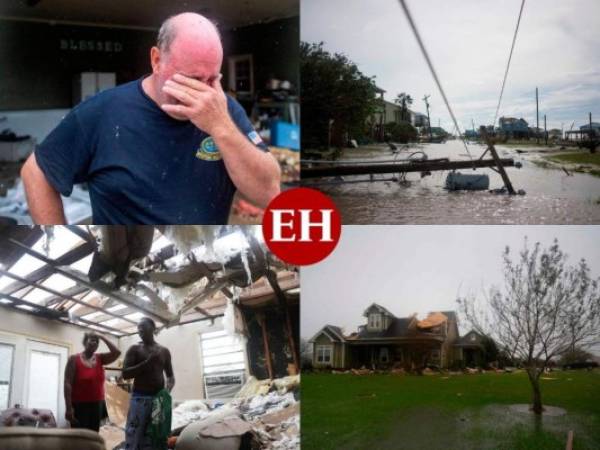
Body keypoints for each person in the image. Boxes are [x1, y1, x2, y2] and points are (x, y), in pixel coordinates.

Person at [21, 12, 281, 224]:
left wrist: (221, 126)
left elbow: (269, 193)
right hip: (126, 266)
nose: (202, 92)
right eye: (190, 79)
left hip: (202, 260)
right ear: (157, 61)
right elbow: (36, 172)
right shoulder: (102, 112)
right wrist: (56, 238)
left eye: (211, 79)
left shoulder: (223, 109)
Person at [122, 317, 175, 450]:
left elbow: (170, 376)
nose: (139, 330)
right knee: (134, 435)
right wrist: (146, 363)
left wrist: (166, 392)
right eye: (138, 327)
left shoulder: (164, 351)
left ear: (153, 328)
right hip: (139, 399)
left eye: (143, 326)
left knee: (157, 434)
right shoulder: (134, 349)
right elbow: (125, 374)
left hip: (158, 400)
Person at [64, 332, 121, 431]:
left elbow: (117, 353)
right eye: (91, 340)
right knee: (80, 436)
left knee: (94, 434)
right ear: (85, 342)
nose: (94, 342)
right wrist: (69, 408)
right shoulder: (74, 359)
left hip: (97, 404)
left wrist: (103, 337)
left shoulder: (100, 358)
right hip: (79, 405)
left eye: (96, 341)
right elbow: (67, 383)